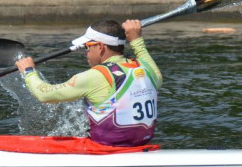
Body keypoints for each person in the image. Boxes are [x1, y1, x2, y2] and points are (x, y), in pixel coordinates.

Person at [15, 19, 162, 147]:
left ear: (100, 47)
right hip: (141, 144)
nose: (86, 52)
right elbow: (154, 71)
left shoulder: (96, 75)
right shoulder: (146, 68)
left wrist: (29, 72)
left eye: (87, 46)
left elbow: (44, 95)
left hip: (106, 149)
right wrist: (136, 40)